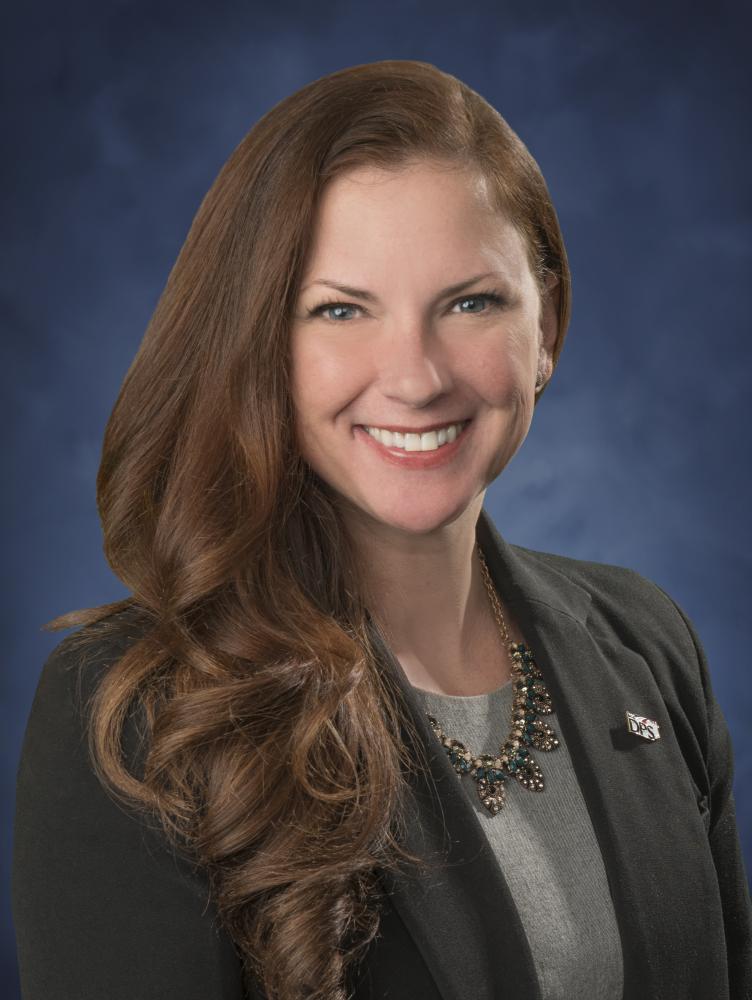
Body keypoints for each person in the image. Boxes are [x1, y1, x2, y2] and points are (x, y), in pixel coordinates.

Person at [12, 59, 751, 1000]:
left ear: (548, 326)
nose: (415, 378)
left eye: (471, 303)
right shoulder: (133, 712)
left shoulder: (647, 643)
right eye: (341, 310)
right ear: (260, 343)